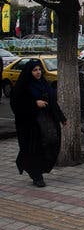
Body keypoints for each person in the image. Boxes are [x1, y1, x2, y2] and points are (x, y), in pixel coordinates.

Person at [10, 59, 66, 187]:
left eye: (39, 69)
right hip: (30, 125)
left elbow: (52, 102)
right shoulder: (22, 87)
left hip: (45, 122)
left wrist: (62, 118)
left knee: (49, 144)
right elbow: (16, 104)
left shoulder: (43, 84)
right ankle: (36, 176)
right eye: (35, 70)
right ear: (29, 72)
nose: (38, 72)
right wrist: (34, 103)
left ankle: (31, 166)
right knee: (33, 148)